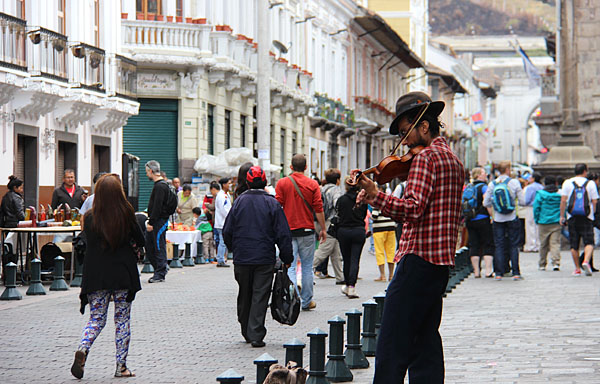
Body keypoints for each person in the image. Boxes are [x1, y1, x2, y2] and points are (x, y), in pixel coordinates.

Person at [352, 91, 464, 383]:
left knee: (392, 340)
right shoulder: (453, 160)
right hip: (440, 265)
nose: (404, 141)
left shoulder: (425, 158)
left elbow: (412, 209)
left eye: (406, 132)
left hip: (417, 261)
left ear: (424, 126)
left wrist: (376, 196)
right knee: (425, 340)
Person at [71, 174, 144, 379]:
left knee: (96, 319)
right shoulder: (127, 214)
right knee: (122, 320)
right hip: (122, 275)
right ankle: (121, 367)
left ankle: (83, 348)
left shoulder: (91, 217)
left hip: (97, 276)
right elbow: (141, 240)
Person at [223, 166, 293, 347]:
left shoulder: (239, 202)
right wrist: (287, 257)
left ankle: (246, 328)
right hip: (264, 257)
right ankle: (255, 333)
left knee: (244, 292)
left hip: (242, 257)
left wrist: (234, 248)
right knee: (260, 294)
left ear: (247, 182)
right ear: (265, 183)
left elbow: (227, 230)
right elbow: (283, 233)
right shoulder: (272, 203)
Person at [275, 153, 326, 311]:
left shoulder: (282, 183)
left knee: (289, 267)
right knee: (307, 267)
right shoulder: (312, 184)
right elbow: (318, 208)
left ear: (291, 167)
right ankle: (306, 301)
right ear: (305, 167)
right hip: (307, 230)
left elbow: (277, 207)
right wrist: (323, 229)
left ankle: (292, 300)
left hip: (288, 231)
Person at [483, 160, 526, 280]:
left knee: (499, 245)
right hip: (512, 217)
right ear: (508, 170)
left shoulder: (492, 184)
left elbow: (486, 202)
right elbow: (523, 201)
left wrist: (495, 205)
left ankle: (499, 273)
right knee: (513, 245)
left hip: (498, 219)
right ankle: (516, 272)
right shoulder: (514, 183)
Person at [560, 163, 599, 276]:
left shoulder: (567, 183)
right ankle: (586, 261)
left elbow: (563, 200)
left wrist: (562, 216)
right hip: (587, 217)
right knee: (589, 242)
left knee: (574, 244)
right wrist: (593, 213)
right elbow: (595, 201)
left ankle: (577, 268)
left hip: (572, 216)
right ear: (585, 171)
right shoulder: (590, 183)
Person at [336, 177, 367, 298]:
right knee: (355, 259)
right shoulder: (362, 201)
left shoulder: (341, 200)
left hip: (344, 231)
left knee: (346, 259)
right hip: (358, 230)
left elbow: (338, 214)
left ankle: (347, 284)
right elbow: (364, 215)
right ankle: (352, 287)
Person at [312, 168, 344, 283]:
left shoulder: (321, 189)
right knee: (323, 250)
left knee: (335, 250)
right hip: (330, 223)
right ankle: (305, 271)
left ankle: (340, 277)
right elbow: (337, 205)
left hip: (318, 221)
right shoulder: (336, 190)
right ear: (337, 180)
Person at [144, 160, 172, 283]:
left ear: (151, 171)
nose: (146, 175)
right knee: (150, 245)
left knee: (158, 246)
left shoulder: (160, 186)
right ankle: (160, 270)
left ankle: (160, 272)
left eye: (146, 172)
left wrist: (151, 222)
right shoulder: (161, 185)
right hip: (158, 221)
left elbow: (157, 206)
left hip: (159, 222)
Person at [464, 167, 494, 278]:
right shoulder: (484, 187)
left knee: (474, 244)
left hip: (470, 219)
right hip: (482, 218)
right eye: (483, 173)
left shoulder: (468, 187)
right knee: (487, 243)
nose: (486, 175)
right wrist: (492, 216)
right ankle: (488, 270)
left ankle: (476, 271)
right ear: (478, 175)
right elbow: (487, 202)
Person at [533, 175, 562, 271]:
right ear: (556, 183)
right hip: (556, 221)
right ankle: (556, 263)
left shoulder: (540, 194)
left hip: (543, 221)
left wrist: (537, 219)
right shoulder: (560, 194)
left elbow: (536, 207)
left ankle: (542, 264)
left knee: (543, 244)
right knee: (555, 243)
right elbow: (563, 207)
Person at [372, 185, 397, 282]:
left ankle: (382, 275)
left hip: (379, 229)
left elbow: (374, 216)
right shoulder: (390, 199)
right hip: (391, 228)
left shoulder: (378, 201)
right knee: (391, 251)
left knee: (380, 251)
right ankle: (391, 275)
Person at [213, 177, 232, 267]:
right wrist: (229, 217)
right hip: (222, 222)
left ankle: (221, 258)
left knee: (222, 241)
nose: (230, 185)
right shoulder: (221, 196)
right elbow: (223, 209)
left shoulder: (225, 194)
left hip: (223, 221)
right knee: (222, 241)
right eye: (229, 183)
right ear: (224, 185)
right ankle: (220, 259)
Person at [523, 172, 543, 252]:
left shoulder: (530, 187)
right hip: (540, 207)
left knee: (530, 226)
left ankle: (531, 245)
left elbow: (527, 200)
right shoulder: (541, 187)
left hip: (531, 207)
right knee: (537, 226)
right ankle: (538, 245)